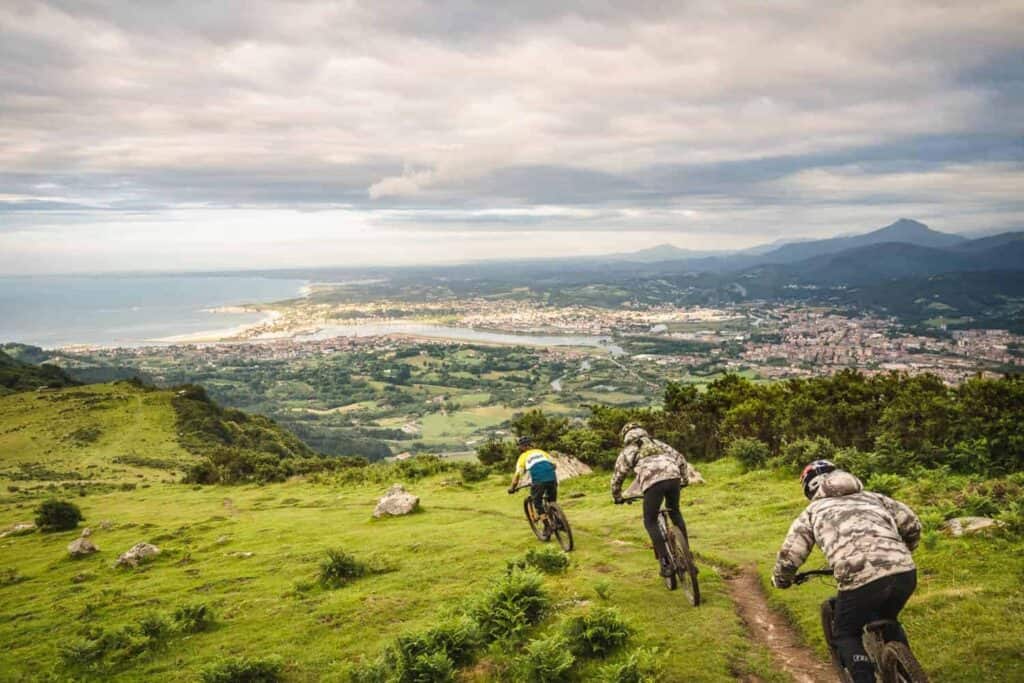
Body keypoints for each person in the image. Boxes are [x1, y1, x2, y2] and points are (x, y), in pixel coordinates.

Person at [771, 460, 922, 683]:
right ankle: (906, 671)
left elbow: (790, 554)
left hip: (858, 577)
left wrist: (781, 580)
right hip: (904, 572)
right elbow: (912, 525)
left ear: (809, 489)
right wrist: (902, 551)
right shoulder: (876, 497)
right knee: (888, 617)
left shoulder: (813, 511)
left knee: (845, 632)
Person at [610, 422, 690, 577]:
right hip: (673, 477)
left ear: (625, 438)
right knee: (675, 511)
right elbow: (680, 459)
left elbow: (617, 477)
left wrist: (617, 496)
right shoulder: (658, 444)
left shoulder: (627, 452)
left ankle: (666, 562)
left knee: (650, 520)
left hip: (652, 483)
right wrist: (684, 480)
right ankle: (687, 557)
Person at [507, 436, 558, 535]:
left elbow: (517, 475)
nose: (519, 448)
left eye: (519, 446)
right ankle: (559, 520)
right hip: (552, 478)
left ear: (523, 447)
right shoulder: (541, 452)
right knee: (552, 501)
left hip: (539, 481)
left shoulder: (523, 457)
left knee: (537, 502)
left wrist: (512, 488)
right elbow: (554, 465)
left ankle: (547, 526)